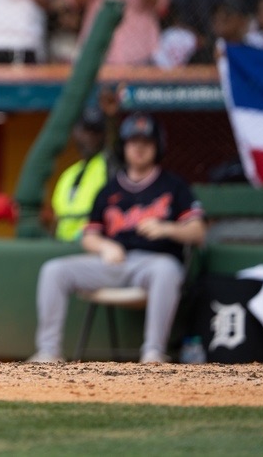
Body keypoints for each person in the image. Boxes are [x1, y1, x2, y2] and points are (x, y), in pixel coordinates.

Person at [28, 113, 205, 364]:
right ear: (124, 147)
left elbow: (198, 231)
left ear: (157, 146)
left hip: (154, 264)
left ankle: (153, 353)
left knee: (166, 270)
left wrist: (167, 229)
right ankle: (48, 352)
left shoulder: (174, 186)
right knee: (54, 270)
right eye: (133, 142)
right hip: (114, 263)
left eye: (146, 142)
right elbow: (89, 236)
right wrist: (105, 246)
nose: (139, 148)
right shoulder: (109, 189)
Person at [49, 104, 110, 243]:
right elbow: (57, 219)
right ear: (76, 132)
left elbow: (116, 150)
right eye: (86, 131)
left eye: (96, 132)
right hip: (62, 245)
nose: (91, 137)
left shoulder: (109, 164)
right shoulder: (68, 175)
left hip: (94, 245)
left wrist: (112, 118)